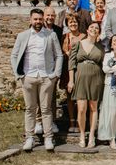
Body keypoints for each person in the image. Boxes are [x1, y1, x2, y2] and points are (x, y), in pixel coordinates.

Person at [10, 8, 63, 152]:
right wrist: (19, 75)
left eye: (40, 19)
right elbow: (14, 56)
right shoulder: (23, 36)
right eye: (35, 19)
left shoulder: (51, 35)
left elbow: (59, 55)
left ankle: (48, 138)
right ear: (30, 20)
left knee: (46, 109)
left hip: (46, 77)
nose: (38, 22)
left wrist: (55, 74)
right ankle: (29, 138)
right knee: (30, 109)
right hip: (28, 77)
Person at [68, 21, 104, 148]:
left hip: (96, 78)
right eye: (92, 27)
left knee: (94, 108)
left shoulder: (101, 47)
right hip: (81, 78)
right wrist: (71, 80)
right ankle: (82, 135)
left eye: (97, 28)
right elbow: (71, 63)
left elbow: (103, 64)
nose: (94, 29)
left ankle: (92, 136)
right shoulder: (78, 44)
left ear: (98, 32)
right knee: (82, 108)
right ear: (87, 30)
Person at [60, 12, 85, 132]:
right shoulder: (65, 37)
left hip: (80, 69)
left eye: (75, 22)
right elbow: (61, 52)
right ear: (67, 24)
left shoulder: (84, 36)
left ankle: (81, 121)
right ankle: (72, 121)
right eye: (71, 22)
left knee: (81, 97)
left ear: (78, 23)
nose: (73, 24)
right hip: (68, 69)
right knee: (69, 96)